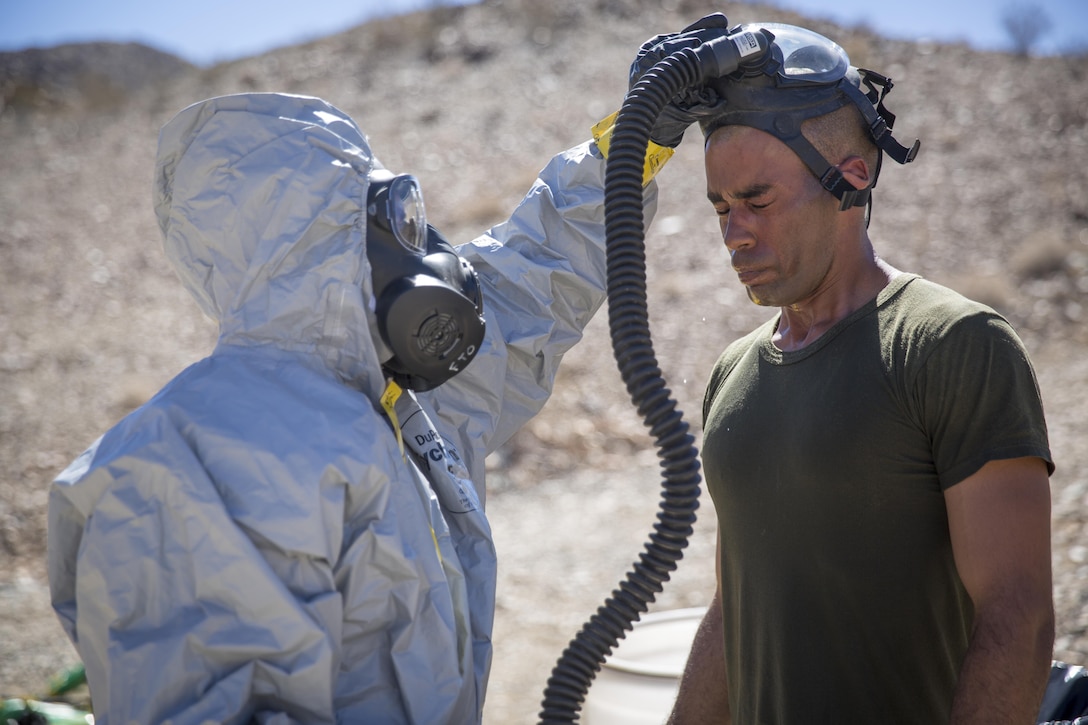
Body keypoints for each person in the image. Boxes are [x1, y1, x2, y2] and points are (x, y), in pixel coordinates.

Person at [46, 92, 658, 723]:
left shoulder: (393, 405)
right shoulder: (182, 463)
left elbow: (529, 283)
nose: (423, 251)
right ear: (321, 242)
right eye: (398, 219)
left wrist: (630, 143)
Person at [627, 15, 1055, 725]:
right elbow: (738, 613)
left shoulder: (953, 345)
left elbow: (1019, 617)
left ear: (849, 178)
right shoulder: (733, 373)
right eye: (720, 207)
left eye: (757, 200)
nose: (734, 232)